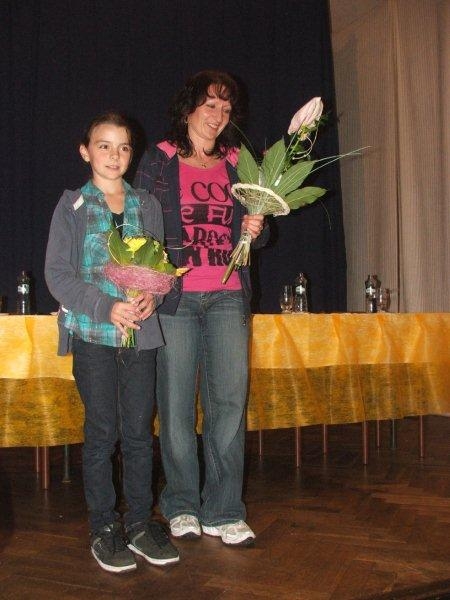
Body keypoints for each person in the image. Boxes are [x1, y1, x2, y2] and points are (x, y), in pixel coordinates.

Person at [134, 71, 268, 546]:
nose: (218, 115)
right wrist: (146, 283)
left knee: (229, 404)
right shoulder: (160, 159)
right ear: (189, 107)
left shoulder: (238, 163)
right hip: (176, 298)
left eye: (226, 109)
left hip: (228, 296)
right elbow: (138, 223)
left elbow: (256, 235)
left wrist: (257, 227)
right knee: (175, 406)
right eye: (210, 105)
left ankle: (224, 510)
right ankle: (182, 504)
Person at [45, 112, 179, 573]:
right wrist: (107, 308)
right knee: (102, 433)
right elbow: (58, 276)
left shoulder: (148, 205)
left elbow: (162, 271)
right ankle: (104, 526)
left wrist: (152, 297)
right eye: (104, 145)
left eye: (123, 147)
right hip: (93, 336)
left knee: (139, 433)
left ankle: (140, 523)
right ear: (86, 151)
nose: (114, 155)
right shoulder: (72, 206)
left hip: (140, 339)